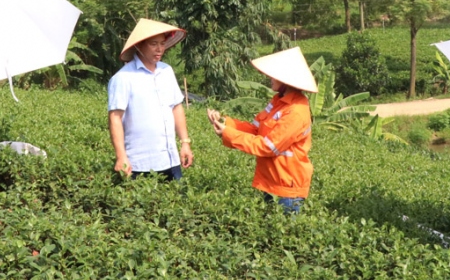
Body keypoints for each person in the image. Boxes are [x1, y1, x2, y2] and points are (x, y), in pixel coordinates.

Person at [207, 47, 317, 213]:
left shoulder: (296, 111)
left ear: (285, 79)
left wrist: (228, 133)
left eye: (273, 75)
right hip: (271, 182)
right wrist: (224, 122)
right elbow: (255, 129)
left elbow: (268, 146)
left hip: (287, 189)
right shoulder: (278, 102)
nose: (269, 78)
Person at [108, 18, 193, 181]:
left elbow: (176, 107)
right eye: (153, 44)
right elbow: (115, 118)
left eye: (162, 43)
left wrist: (185, 142)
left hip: (170, 159)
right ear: (139, 46)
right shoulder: (124, 78)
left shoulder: (166, 71)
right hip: (139, 164)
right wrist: (121, 157)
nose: (159, 48)